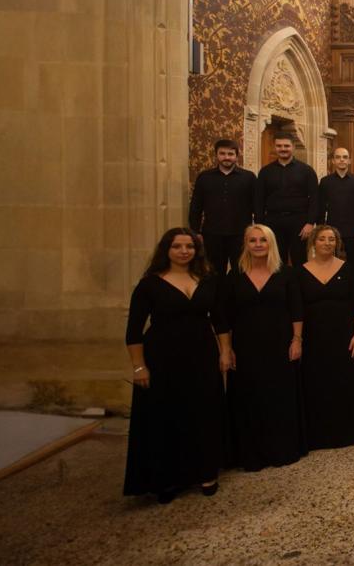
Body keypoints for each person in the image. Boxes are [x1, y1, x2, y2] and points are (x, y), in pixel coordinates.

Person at [124, 228, 229, 502]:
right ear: (166, 250)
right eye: (177, 246)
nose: (184, 251)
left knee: (204, 411)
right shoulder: (150, 284)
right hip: (163, 356)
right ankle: (168, 478)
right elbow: (134, 330)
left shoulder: (207, 279)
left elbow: (220, 320)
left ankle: (206, 471)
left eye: (189, 246)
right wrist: (139, 366)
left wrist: (225, 352)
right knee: (167, 415)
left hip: (202, 353)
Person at [223, 224, 306, 472]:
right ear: (245, 245)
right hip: (246, 346)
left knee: (278, 397)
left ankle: (281, 449)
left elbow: (297, 310)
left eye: (263, 240)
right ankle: (250, 454)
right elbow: (224, 316)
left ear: (271, 244)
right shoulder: (234, 276)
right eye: (253, 241)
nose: (258, 244)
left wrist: (297, 339)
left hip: (280, 344)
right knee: (248, 398)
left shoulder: (286, 274)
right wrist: (226, 349)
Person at [296, 225, 354, 449]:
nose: (327, 243)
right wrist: (298, 338)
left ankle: (346, 433)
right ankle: (318, 435)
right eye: (322, 239)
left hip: (344, 335)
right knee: (317, 384)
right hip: (314, 337)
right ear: (313, 243)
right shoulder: (300, 272)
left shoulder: (348, 269)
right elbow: (296, 309)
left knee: (343, 382)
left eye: (331, 240)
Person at [189, 138, 255, 275]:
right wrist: (195, 231)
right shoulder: (204, 177)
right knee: (214, 272)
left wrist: (256, 231)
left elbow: (257, 206)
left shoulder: (249, 177)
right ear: (216, 155)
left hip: (241, 234)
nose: (226, 157)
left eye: (230, 154)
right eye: (222, 153)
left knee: (241, 272)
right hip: (212, 234)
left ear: (237, 156)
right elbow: (196, 206)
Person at [255, 134, 318, 265]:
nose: (283, 149)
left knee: (300, 259)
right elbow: (259, 200)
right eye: (279, 146)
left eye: (286, 146)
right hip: (273, 222)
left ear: (293, 147)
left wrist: (310, 223)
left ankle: (299, 286)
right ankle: (280, 286)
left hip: (300, 222)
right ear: (274, 147)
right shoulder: (265, 172)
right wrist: (260, 225)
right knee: (276, 260)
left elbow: (315, 198)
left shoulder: (307, 171)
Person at [318, 146, 354, 261]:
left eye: (345, 157)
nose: (342, 160)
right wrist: (321, 229)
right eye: (338, 157)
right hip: (331, 228)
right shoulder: (325, 182)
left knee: (353, 261)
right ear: (333, 161)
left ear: (349, 161)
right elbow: (321, 206)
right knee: (330, 260)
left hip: (353, 230)